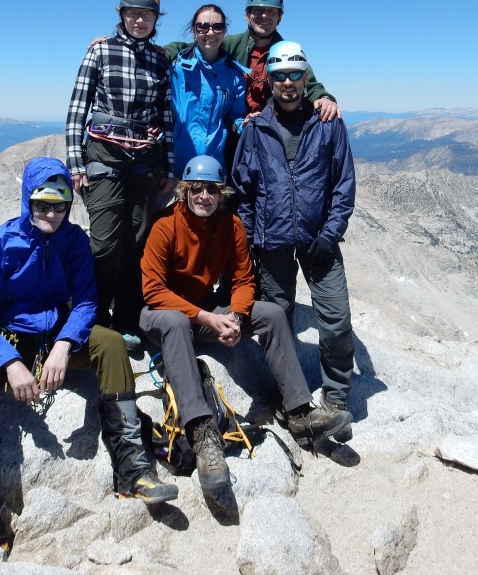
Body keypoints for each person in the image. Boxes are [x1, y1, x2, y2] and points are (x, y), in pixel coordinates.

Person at [0, 157, 177, 548]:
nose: (51, 213)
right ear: (27, 201)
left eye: (59, 205)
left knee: (111, 341)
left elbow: (86, 302)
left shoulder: (74, 242)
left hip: (56, 334)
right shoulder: (0, 244)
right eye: (41, 204)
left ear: (70, 204)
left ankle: (133, 469)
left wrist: (66, 345)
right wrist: (10, 362)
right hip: (9, 335)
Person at [139, 155, 346, 495]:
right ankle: (202, 433)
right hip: (161, 314)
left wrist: (234, 317)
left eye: (211, 190)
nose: (204, 196)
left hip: (207, 311)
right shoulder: (165, 226)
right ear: (185, 192)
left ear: (220, 194)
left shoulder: (230, 225)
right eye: (196, 189)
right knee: (177, 321)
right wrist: (209, 318)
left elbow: (243, 279)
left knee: (273, 313)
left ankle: (299, 412)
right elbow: (153, 290)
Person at [232, 41, 356, 440]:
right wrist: (250, 241)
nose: (287, 83)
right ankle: (289, 397)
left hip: (319, 241)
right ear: (269, 79)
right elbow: (244, 191)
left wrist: (330, 233)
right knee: (278, 321)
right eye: (280, 75)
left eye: (295, 74)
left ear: (306, 78)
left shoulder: (328, 123)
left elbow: (343, 184)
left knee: (335, 321)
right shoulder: (255, 128)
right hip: (273, 246)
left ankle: (336, 400)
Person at [66, 0, 176, 346]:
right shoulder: (100, 52)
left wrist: (170, 166)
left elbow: (166, 116)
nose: (139, 20)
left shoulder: (161, 60)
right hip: (105, 156)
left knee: (138, 243)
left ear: (155, 19)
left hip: (146, 159)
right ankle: (94, 318)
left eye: (146, 15)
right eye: (133, 13)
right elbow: (77, 109)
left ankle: (128, 319)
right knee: (105, 243)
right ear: (122, 15)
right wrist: (76, 162)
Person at [161, 0, 340, 122]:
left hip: (272, 128)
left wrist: (323, 97)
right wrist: (161, 53)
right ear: (247, 15)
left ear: (280, 18)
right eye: (258, 11)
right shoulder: (232, 44)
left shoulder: (287, 51)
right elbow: (194, 45)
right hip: (234, 128)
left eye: (271, 12)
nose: (264, 16)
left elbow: (306, 79)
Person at [168, 4, 248, 173]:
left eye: (217, 27)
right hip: (173, 169)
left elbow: (236, 116)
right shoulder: (175, 70)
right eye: (203, 26)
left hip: (213, 170)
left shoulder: (234, 76)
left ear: (224, 31)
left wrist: (245, 124)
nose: (210, 33)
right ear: (194, 30)